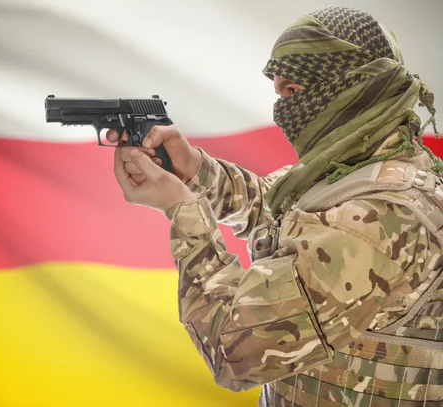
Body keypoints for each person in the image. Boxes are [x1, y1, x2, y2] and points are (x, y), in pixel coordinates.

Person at [108, 5, 443, 407]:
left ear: (354, 85)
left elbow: (234, 354)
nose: (283, 108)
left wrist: (183, 210)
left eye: (293, 91)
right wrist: (194, 168)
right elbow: (275, 209)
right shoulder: (361, 169)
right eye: (279, 92)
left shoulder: (378, 219)